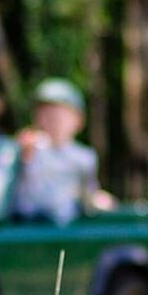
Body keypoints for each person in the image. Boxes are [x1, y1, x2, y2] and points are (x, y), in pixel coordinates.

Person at [13, 78, 115, 225]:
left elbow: (87, 193)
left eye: (60, 115)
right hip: (26, 225)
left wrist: (97, 199)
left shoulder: (84, 157)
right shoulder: (27, 148)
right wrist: (22, 154)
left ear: (78, 120)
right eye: (46, 114)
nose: (53, 120)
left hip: (64, 226)